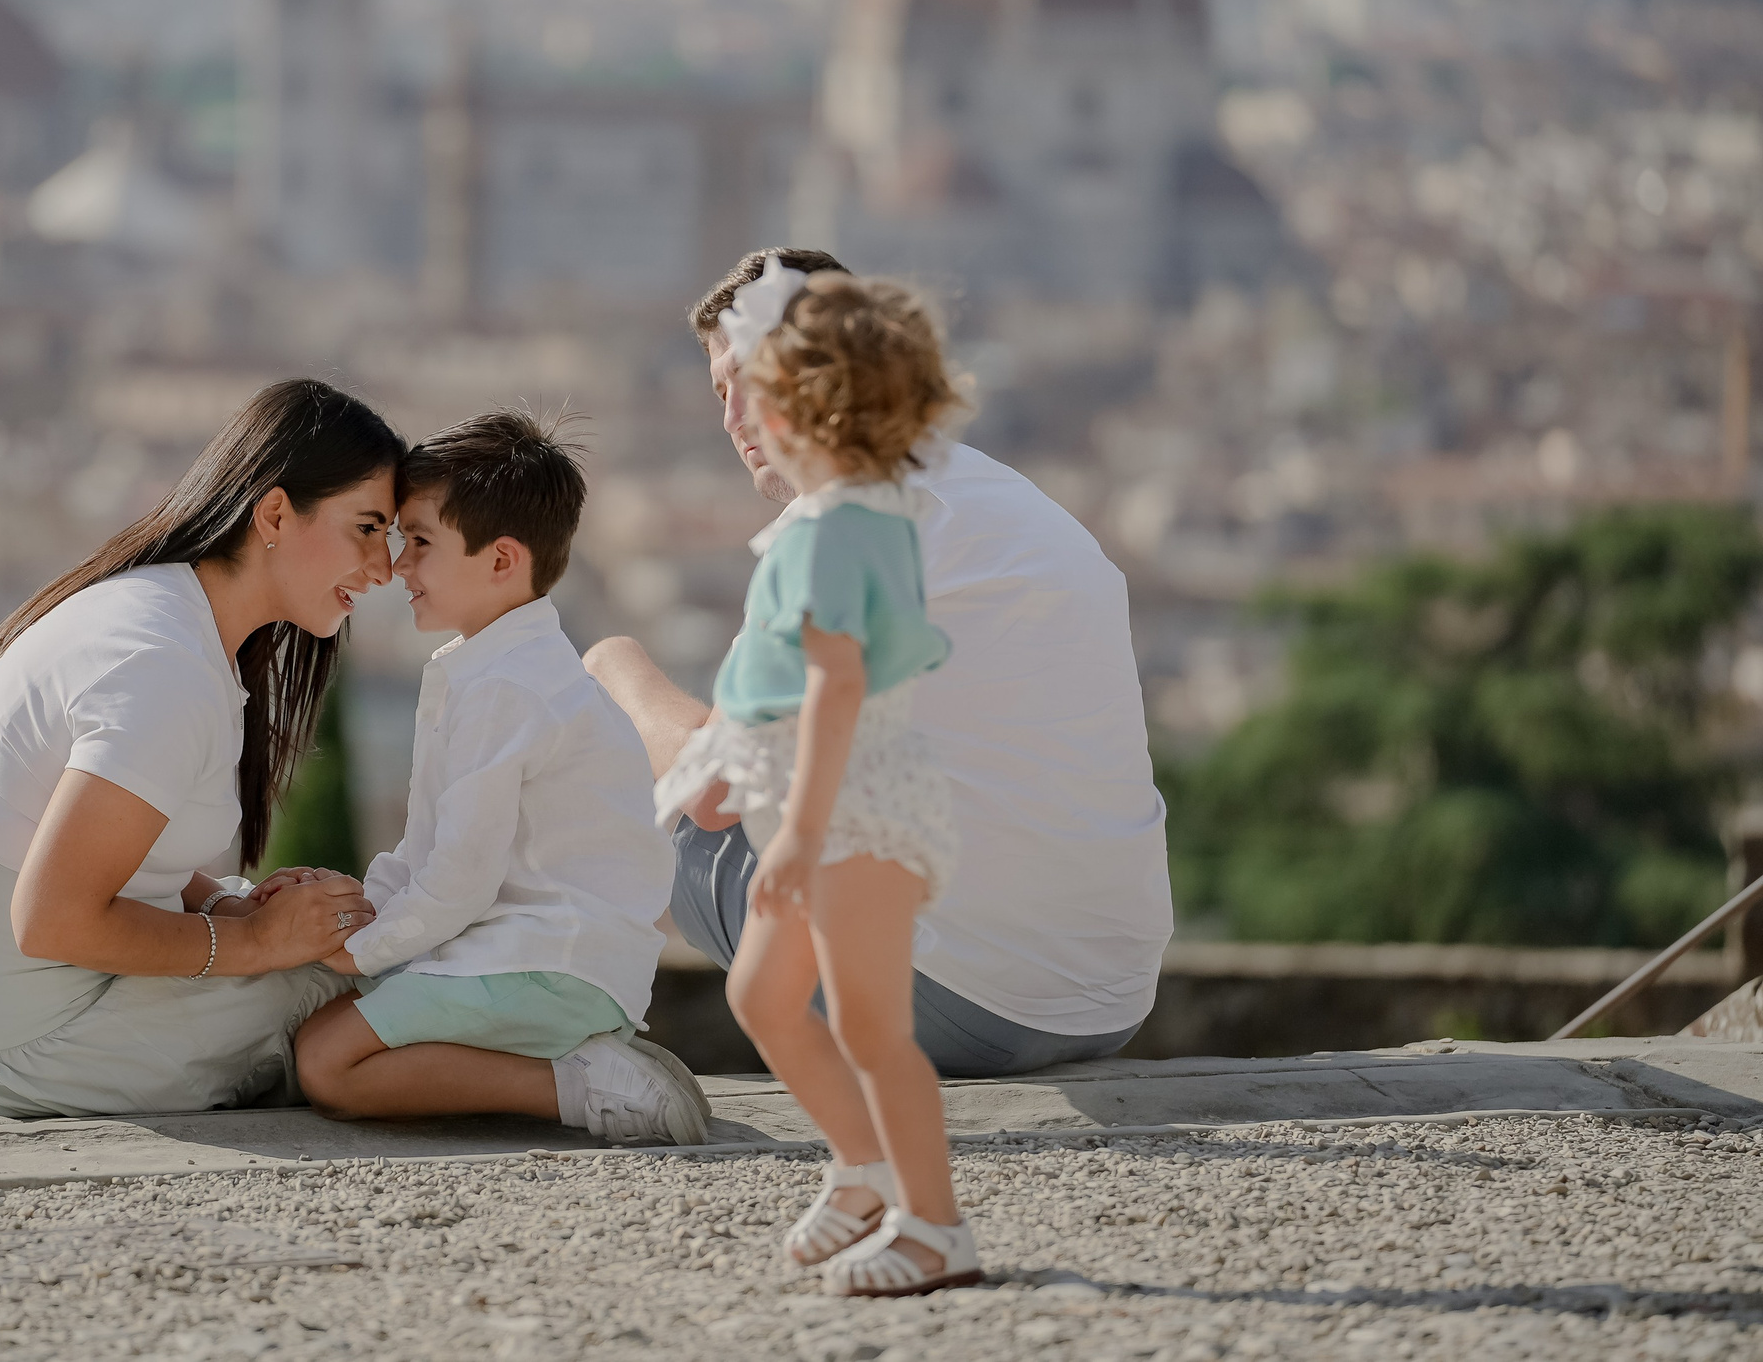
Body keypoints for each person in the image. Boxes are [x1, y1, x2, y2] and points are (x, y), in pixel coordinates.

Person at [587, 247, 1172, 1082]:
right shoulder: (1017, 504)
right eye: (721, 389)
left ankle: (533, 1031)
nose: (734, 416)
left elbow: (712, 801)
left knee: (662, 787)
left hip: (963, 1007)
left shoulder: (831, 523)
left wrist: (617, 672)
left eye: (754, 375)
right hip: (1114, 999)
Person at [0, 379, 400, 1118]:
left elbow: (97, 845)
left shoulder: (162, 612)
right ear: (274, 513)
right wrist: (259, 942)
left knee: (338, 935)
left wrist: (229, 907)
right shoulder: (165, 665)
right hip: (5, 1044)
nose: (385, 567)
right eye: (367, 528)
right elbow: (51, 917)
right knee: (370, 971)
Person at [652, 262, 976, 1295]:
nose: (743, 412)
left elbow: (833, 683)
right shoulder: (862, 514)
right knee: (764, 993)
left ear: (802, 410)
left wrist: (793, 830)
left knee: (875, 1028)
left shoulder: (834, 531)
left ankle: (934, 1225)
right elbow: (791, 687)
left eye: (758, 392)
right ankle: (863, 1169)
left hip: (850, 811)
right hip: (836, 802)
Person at [291, 411, 711, 1145]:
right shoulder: (487, 667)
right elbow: (428, 848)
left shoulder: (507, 687)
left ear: (501, 559)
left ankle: (583, 1086)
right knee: (322, 1020)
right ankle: (583, 1065)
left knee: (327, 1064)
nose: (397, 566)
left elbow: (459, 874)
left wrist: (362, 950)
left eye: (419, 542)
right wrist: (360, 921)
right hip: (527, 953)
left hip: (549, 964)